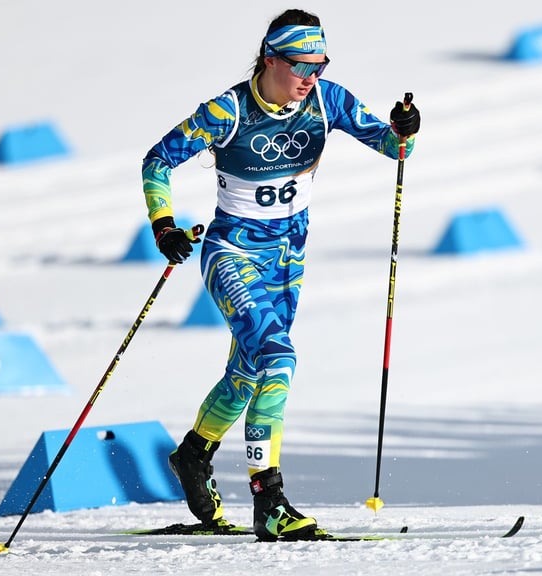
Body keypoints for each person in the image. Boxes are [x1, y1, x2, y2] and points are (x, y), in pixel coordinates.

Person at [141, 8, 420, 541]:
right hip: (233, 256)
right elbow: (157, 161)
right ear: (271, 58)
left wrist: (405, 129)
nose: (310, 77)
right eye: (301, 66)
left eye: (320, 64)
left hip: (288, 262)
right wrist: (164, 226)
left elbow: (393, 147)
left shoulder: (326, 99)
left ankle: (194, 455)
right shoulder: (227, 111)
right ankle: (269, 500)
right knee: (279, 360)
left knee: (248, 373)